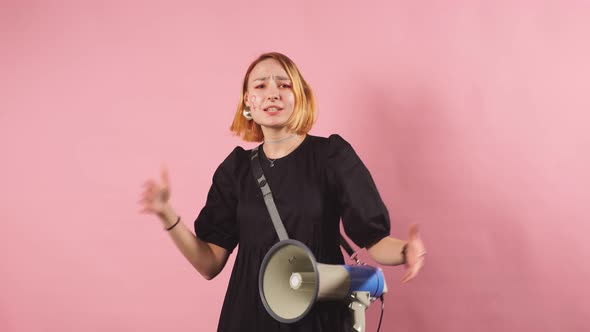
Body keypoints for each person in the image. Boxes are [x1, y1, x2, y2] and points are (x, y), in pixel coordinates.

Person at [139, 52, 426, 331]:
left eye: (284, 84)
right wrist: (167, 214)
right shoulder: (235, 170)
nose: (273, 93)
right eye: (261, 86)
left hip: (317, 315)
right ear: (247, 102)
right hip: (248, 316)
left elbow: (375, 241)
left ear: (299, 96)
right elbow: (209, 263)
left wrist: (406, 250)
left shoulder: (332, 156)